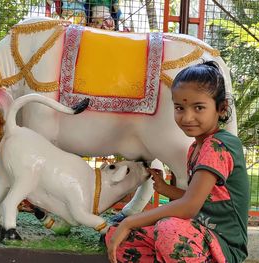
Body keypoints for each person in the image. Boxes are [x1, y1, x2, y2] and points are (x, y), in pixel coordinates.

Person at [105, 61, 249, 263]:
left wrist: (131, 221)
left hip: (222, 245)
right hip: (196, 234)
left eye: (199, 107)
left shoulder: (219, 145)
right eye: (180, 107)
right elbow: (200, 199)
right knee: (117, 236)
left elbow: (189, 207)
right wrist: (166, 189)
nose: (187, 117)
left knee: (168, 229)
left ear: (222, 108)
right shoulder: (195, 148)